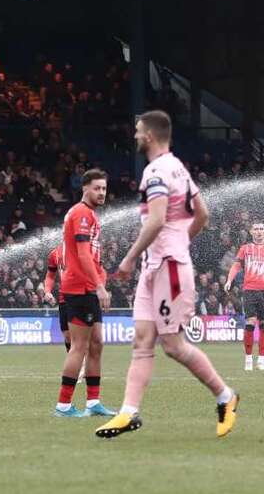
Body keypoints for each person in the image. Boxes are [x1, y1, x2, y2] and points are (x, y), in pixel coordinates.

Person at [96, 110, 238, 438]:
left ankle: (225, 396)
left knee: (173, 345)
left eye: (137, 131)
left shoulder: (156, 171)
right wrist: (178, 242)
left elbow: (157, 220)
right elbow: (202, 214)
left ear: (149, 135)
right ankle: (128, 412)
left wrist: (131, 257)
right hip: (159, 265)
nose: (134, 135)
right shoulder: (177, 167)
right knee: (143, 341)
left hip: (168, 267)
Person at [54, 169, 115, 418]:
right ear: (85, 188)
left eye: (103, 188)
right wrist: (98, 286)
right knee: (79, 346)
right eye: (96, 188)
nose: (101, 193)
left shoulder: (88, 214)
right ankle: (64, 405)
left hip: (87, 286)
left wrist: (101, 280)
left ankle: (93, 402)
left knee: (97, 344)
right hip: (80, 288)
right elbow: (82, 254)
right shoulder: (81, 213)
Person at [224, 221, 264, 371]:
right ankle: (248, 358)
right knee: (250, 322)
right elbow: (236, 266)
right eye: (256, 229)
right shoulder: (245, 249)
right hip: (250, 290)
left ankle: (261, 359)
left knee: (263, 325)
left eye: (261, 229)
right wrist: (229, 280)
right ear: (251, 232)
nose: (259, 231)